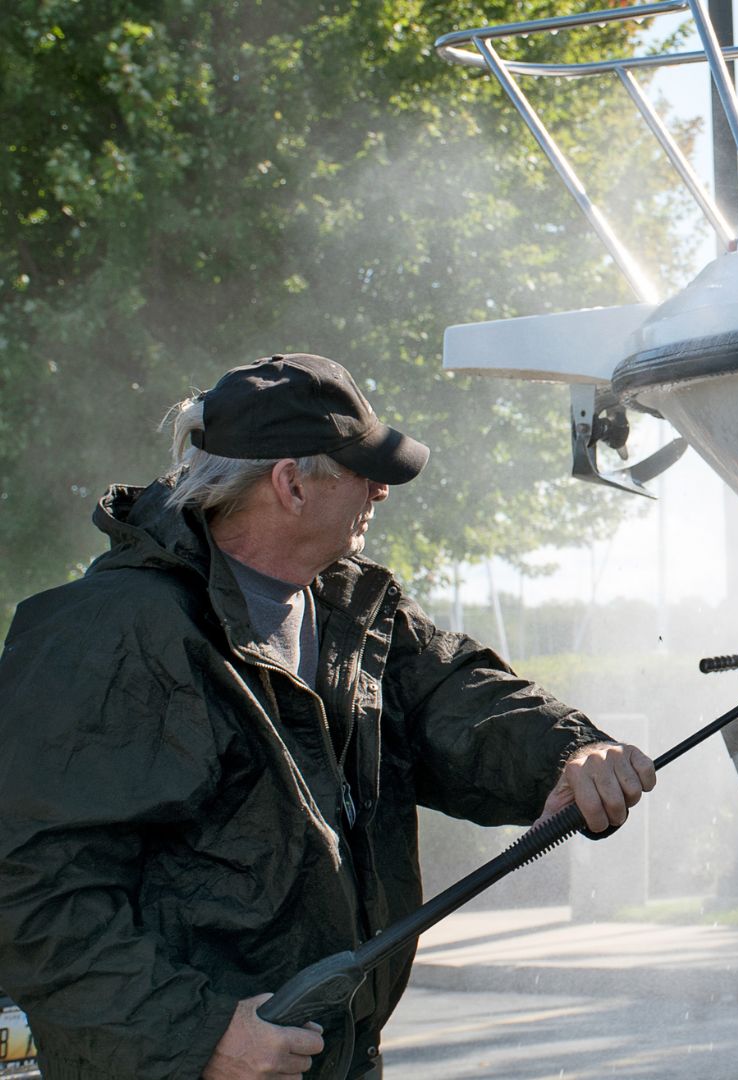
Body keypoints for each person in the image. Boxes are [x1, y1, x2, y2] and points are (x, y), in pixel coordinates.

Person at [0, 354, 655, 1079]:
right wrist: (201, 1036)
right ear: (291, 484)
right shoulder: (105, 635)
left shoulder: (353, 609)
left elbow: (454, 695)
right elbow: (30, 892)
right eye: (363, 471)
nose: (381, 489)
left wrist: (569, 752)